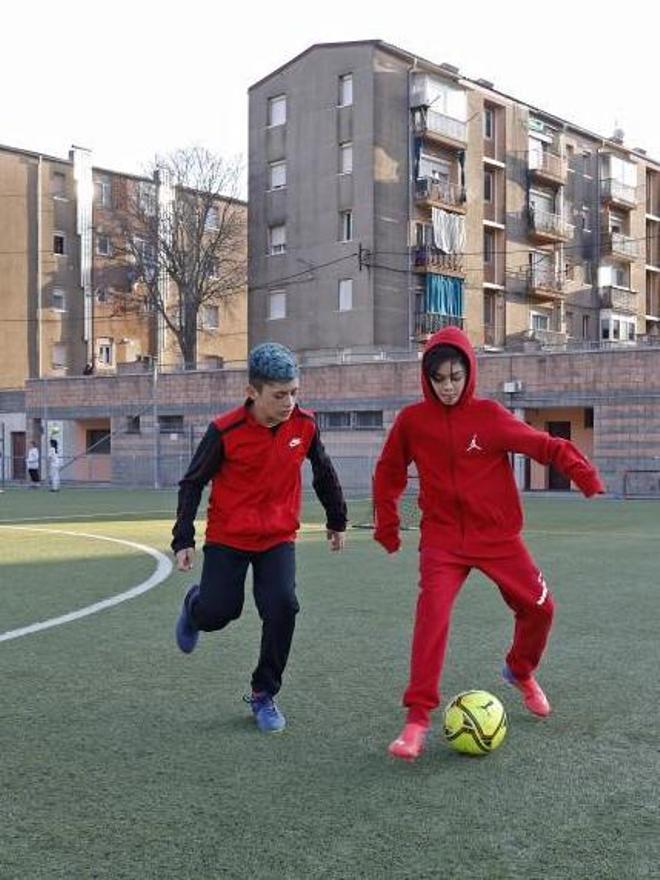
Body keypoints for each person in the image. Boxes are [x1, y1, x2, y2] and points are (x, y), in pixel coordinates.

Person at [373, 327, 605, 761]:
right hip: (443, 540)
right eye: (439, 379)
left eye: (455, 377)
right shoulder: (412, 422)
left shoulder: (490, 416)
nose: (447, 387)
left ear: (469, 373)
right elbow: (388, 471)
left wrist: (584, 474)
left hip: (498, 538)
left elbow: (546, 446)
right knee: (432, 617)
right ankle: (417, 720)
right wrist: (387, 524)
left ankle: (519, 670)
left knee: (541, 608)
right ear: (427, 379)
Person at [172, 342, 348, 733]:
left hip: (277, 538)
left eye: (294, 392)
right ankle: (194, 606)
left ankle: (263, 693)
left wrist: (337, 519)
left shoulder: (304, 425)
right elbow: (192, 482)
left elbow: (323, 471)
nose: (289, 402)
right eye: (280, 394)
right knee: (221, 613)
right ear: (253, 392)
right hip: (229, 536)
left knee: (283, 606)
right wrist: (182, 537)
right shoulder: (225, 430)